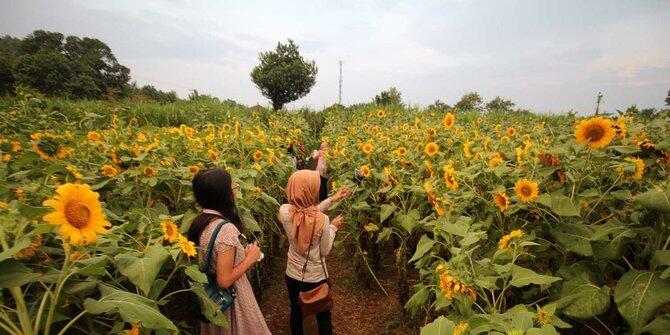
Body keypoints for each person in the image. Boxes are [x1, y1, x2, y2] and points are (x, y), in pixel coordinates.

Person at [187, 168, 271, 335]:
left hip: (212, 300)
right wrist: (250, 259)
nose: (234, 188)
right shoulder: (225, 230)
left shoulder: (199, 222)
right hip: (231, 301)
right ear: (222, 194)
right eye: (231, 185)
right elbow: (224, 281)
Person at [278, 170, 351, 335]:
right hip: (316, 277)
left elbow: (305, 212)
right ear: (311, 190)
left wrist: (332, 199)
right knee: (323, 316)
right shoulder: (323, 220)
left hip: (293, 274)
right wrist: (333, 226)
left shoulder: (284, 211)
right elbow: (324, 251)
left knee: (296, 313)